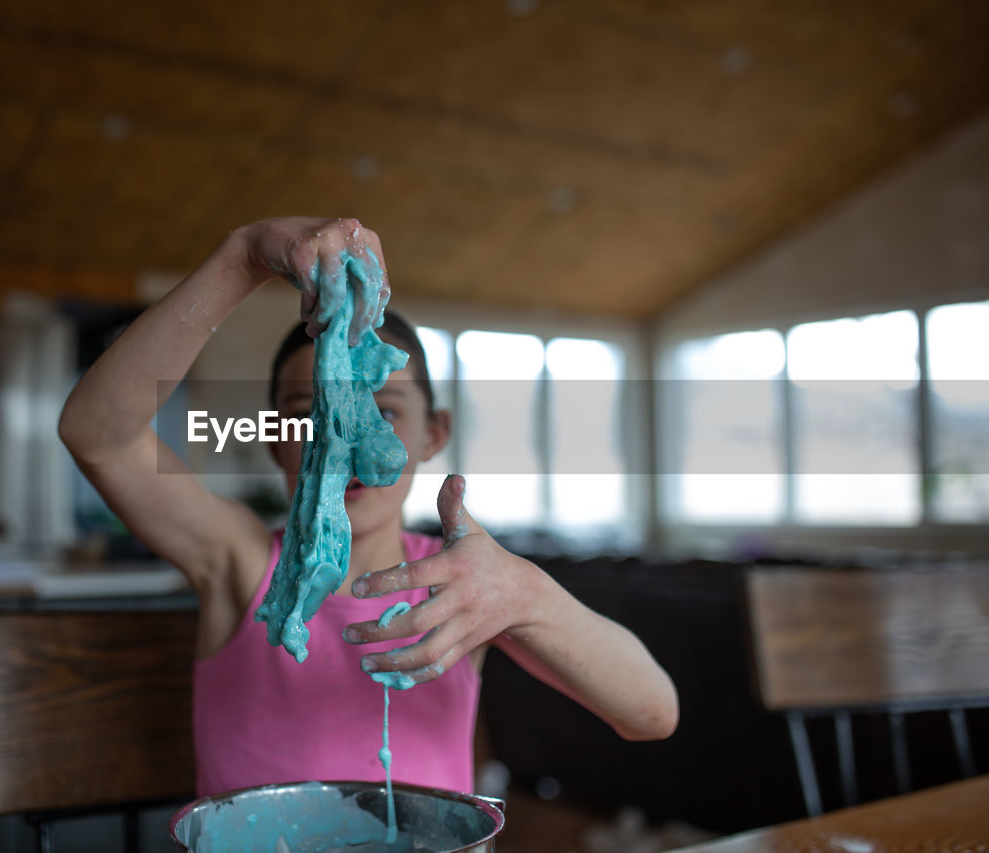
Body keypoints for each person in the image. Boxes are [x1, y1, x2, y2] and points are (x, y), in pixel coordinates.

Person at [57, 216, 678, 797]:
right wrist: (243, 256)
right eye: (310, 414)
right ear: (274, 439)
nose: (343, 443)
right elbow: (97, 435)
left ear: (434, 433)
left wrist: (528, 597)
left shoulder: (464, 590)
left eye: (383, 413)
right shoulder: (238, 562)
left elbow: (652, 712)